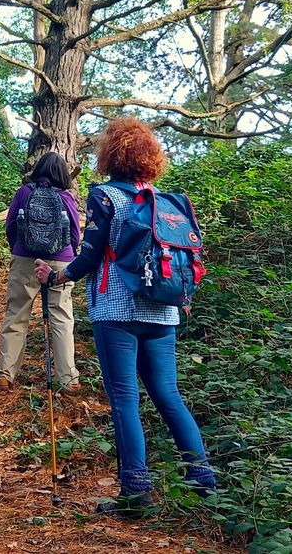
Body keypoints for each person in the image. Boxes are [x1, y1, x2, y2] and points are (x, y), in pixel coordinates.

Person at [34, 118, 216, 515]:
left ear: (110, 156)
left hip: (117, 310)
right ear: (151, 158)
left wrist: (58, 276)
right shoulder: (165, 201)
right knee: (168, 394)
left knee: (125, 400)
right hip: (164, 310)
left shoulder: (106, 197)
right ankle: (203, 480)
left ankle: (136, 493)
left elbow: (90, 254)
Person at [0, 151, 81, 396]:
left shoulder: (24, 193)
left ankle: (4, 374)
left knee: (16, 314)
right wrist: (68, 254)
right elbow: (74, 232)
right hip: (60, 261)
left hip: (25, 259)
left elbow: (10, 226)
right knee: (61, 317)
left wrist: (19, 250)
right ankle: (68, 379)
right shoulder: (66, 197)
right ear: (63, 173)